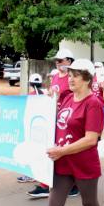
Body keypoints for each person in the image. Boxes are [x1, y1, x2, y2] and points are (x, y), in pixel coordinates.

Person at [41, 59, 104, 206]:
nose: (70, 79)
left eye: (76, 75)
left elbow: (90, 139)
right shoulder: (68, 97)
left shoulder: (93, 103)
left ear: (87, 79)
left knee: (90, 204)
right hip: (62, 163)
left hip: (83, 164)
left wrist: (62, 151)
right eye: (69, 75)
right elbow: (59, 124)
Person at [28, 49, 79, 198]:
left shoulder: (73, 78)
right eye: (56, 60)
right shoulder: (55, 76)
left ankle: (75, 184)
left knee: (67, 150)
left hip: (68, 119)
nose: (57, 63)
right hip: (53, 117)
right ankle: (46, 184)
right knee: (51, 148)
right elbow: (53, 93)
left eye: (61, 60)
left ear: (69, 61)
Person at [17, 73, 45, 183]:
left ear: (30, 83)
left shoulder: (31, 95)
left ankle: (30, 174)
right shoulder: (45, 94)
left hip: (33, 128)